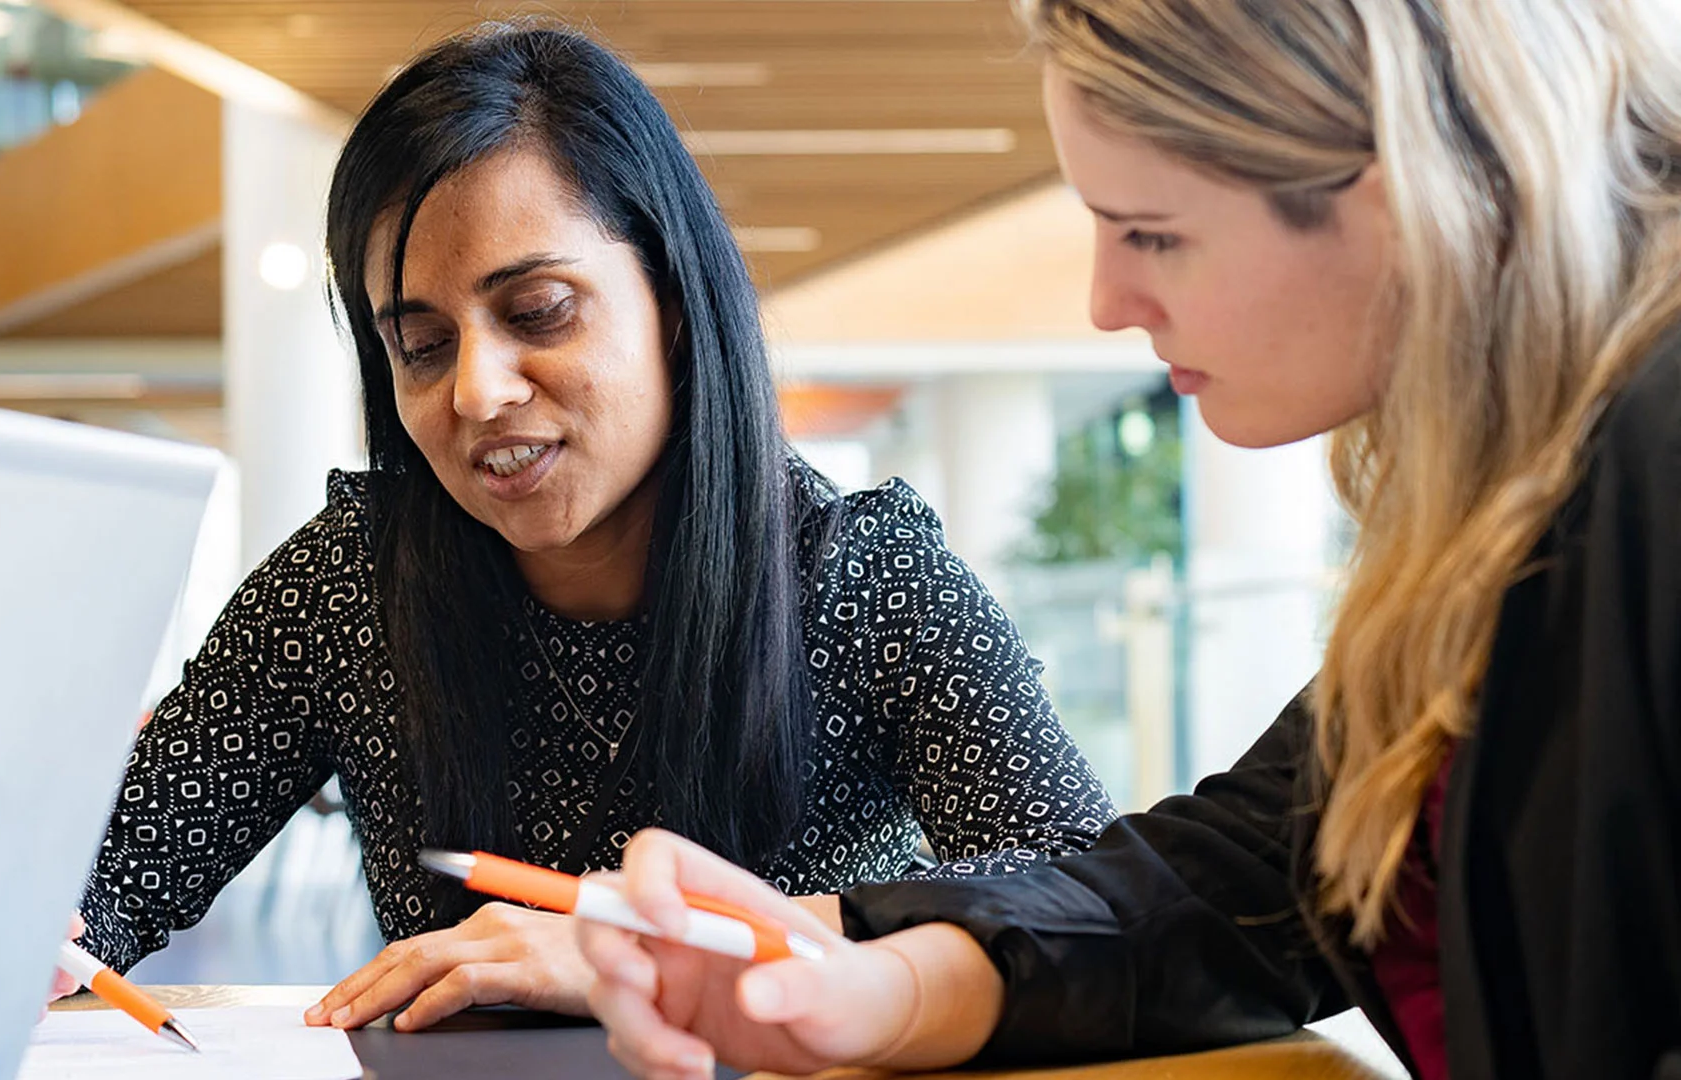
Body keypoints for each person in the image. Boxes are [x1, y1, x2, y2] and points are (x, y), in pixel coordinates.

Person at [576, 0, 1681, 1077]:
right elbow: (1236, 888)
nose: (1109, 301)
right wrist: (874, 991)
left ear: (1405, 201)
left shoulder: (1653, 453)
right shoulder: (1507, 507)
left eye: (1154, 232)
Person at [60, 23, 1118, 1034]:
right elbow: (98, 884)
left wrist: (667, 947)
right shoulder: (351, 588)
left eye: (537, 312)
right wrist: (40, 925)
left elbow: (1078, 898)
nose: (477, 391)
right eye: (422, 344)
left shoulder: (856, 576)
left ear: (673, 300)